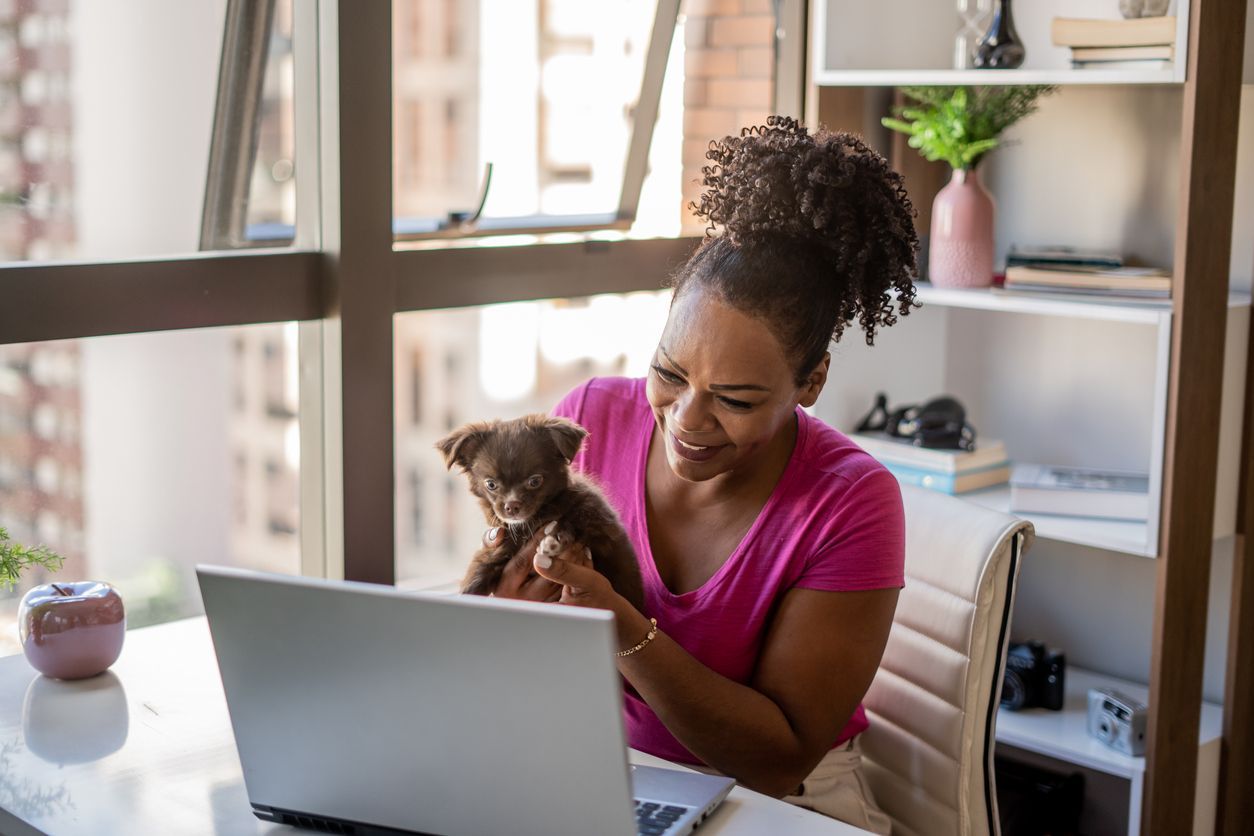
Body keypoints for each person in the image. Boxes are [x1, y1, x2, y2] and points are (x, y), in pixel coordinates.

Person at [483, 115, 919, 833]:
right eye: (669, 373)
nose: (686, 419)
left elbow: (780, 759)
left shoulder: (852, 502)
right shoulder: (587, 421)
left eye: (737, 399)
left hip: (783, 804)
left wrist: (619, 625)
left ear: (810, 383)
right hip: (604, 769)